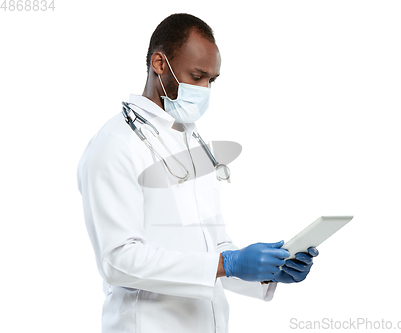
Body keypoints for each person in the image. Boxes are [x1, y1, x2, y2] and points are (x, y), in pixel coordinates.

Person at [77, 13, 318, 333]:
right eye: (196, 76)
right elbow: (118, 261)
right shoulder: (115, 144)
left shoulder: (191, 140)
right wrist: (226, 264)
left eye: (211, 80)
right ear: (159, 64)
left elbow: (211, 248)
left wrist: (266, 269)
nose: (204, 89)